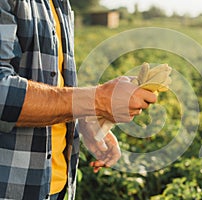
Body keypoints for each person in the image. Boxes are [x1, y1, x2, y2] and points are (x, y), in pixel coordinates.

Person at [0, 0, 157, 200]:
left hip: (54, 187)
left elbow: (50, 82)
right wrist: (97, 99)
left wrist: (84, 120)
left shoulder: (60, 4)